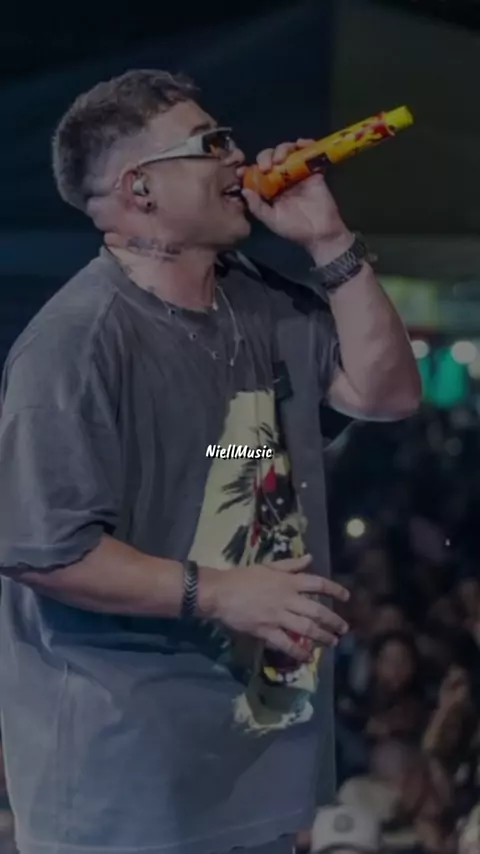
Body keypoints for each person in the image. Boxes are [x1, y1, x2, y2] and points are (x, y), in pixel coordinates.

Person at [0, 69, 421, 854]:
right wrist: (221, 592)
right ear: (139, 188)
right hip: (126, 781)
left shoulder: (259, 302)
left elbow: (388, 392)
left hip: (257, 760)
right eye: (211, 143)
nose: (239, 157)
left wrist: (329, 242)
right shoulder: (74, 344)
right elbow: (44, 550)